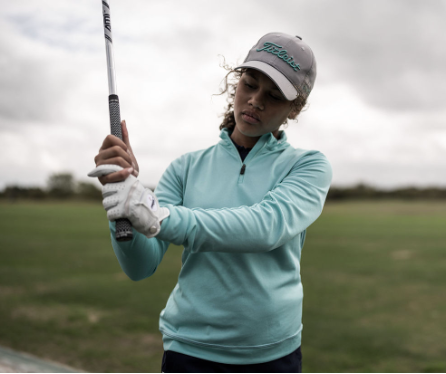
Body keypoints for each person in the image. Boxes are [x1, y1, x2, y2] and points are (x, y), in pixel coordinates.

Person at [89, 32, 332, 373]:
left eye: (274, 96)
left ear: (295, 108)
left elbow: (264, 228)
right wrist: (123, 209)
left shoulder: (308, 166)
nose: (256, 101)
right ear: (237, 83)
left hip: (272, 354)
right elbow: (140, 266)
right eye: (249, 84)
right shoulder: (186, 168)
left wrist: (154, 212)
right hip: (189, 350)